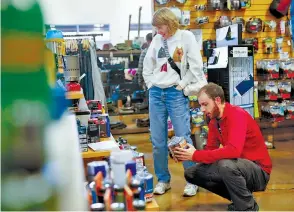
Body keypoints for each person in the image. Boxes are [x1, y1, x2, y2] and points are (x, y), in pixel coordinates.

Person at [174, 83, 272, 211]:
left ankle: (247, 208)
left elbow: (233, 151)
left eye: (205, 104)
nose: (202, 109)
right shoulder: (214, 121)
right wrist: (185, 154)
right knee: (191, 173)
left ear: (217, 100)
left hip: (259, 172)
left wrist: (196, 155)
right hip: (239, 168)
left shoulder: (237, 114)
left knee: (225, 165)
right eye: (200, 105)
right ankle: (242, 200)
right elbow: (210, 152)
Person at [143, 7, 207, 196]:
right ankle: (163, 180)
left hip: (175, 93)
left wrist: (182, 85)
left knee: (183, 137)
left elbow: (196, 66)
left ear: (170, 23)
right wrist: (150, 84)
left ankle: (192, 179)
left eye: (160, 27)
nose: (158, 31)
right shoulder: (156, 40)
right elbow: (148, 66)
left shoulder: (186, 37)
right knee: (157, 141)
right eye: (156, 28)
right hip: (156, 93)